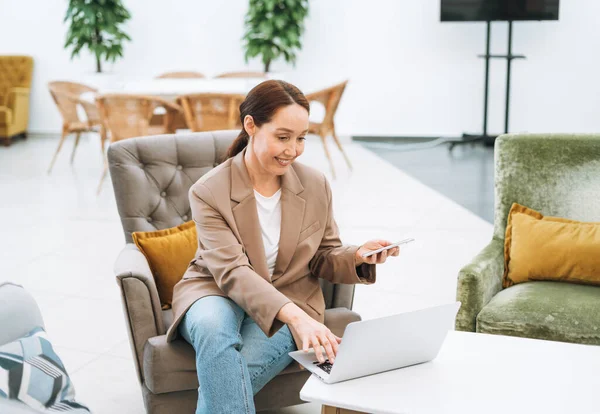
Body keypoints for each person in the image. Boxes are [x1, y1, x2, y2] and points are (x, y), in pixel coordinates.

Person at [164, 80, 399, 413]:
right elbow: (232, 272)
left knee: (230, 375)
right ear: (251, 126)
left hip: (292, 295)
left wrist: (358, 255)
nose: (293, 149)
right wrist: (298, 319)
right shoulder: (209, 190)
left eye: (301, 138)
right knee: (214, 333)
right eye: (283, 137)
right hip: (216, 290)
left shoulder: (315, 184)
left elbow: (323, 255)